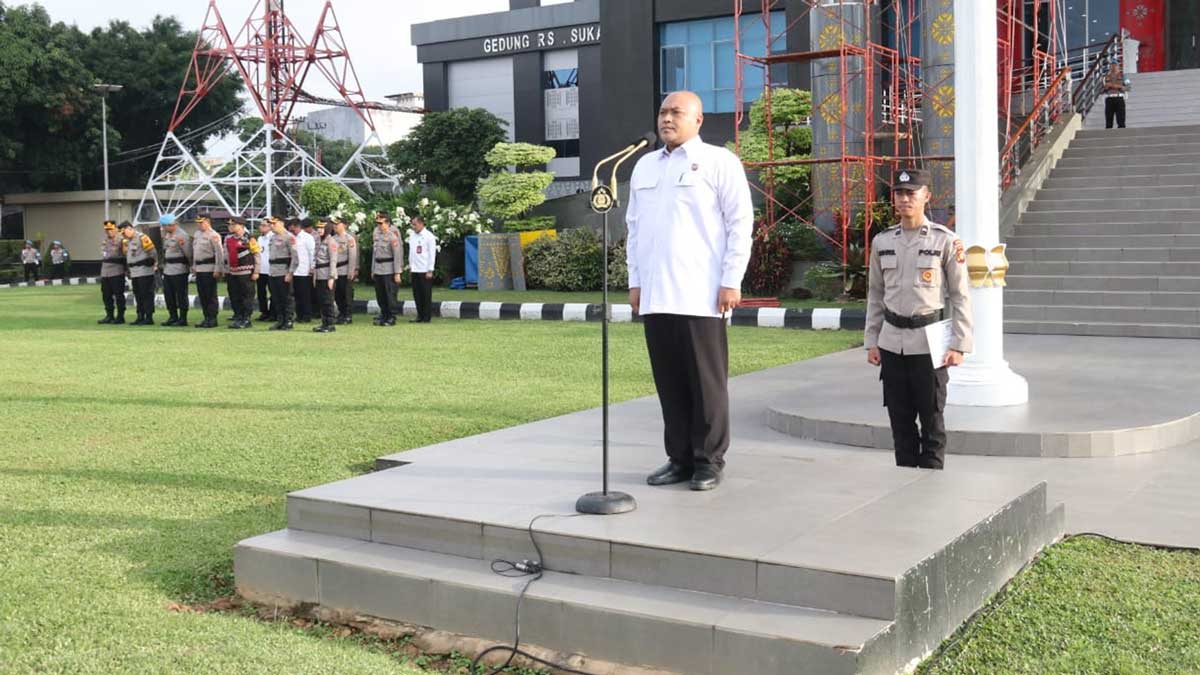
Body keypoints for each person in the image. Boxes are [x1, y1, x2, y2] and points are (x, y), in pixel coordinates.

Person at [625, 90, 754, 492]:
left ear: (698, 120)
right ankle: (678, 457)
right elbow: (634, 228)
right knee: (670, 381)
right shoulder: (645, 166)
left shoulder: (719, 161)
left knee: (705, 383)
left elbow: (740, 223)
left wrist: (731, 279)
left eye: (676, 112)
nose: (667, 118)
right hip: (657, 293)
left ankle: (708, 460)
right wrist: (635, 280)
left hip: (701, 294)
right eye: (663, 111)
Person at [865, 168, 973, 470]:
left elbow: (961, 296)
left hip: (930, 342)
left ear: (926, 196)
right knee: (899, 419)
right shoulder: (882, 241)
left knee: (932, 417)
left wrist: (959, 344)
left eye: (911, 193)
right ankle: (905, 478)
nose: (904, 199)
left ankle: (932, 479)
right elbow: (875, 294)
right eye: (899, 193)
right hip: (891, 341)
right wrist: (871, 341)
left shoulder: (946, 241)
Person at [224, 218, 260, 329]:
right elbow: (226, 255)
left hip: (246, 272)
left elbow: (257, 255)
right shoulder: (229, 239)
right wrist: (226, 269)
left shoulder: (249, 238)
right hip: (233, 272)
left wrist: (256, 271)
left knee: (247, 296)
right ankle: (238, 317)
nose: (230, 227)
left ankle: (246, 319)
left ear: (241, 225)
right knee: (235, 296)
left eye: (233, 225)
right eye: (229, 225)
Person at [191, 215, 225, 328]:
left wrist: (218, 269)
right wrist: (194, 266)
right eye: (198, 223)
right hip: (200, 268)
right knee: (202, 295)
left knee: (210, 295)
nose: (199, 224)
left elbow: (219, 254)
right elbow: (195, 252)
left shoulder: (213, 235)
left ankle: (212, 318)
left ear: (207, 222)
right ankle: (206, 317)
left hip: (209, 268)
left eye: (201, 222)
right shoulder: (197, 234)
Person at [122, 221, 158, 326]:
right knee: (138, 295)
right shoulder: (127, 241)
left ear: (130, 228)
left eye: (124, 232)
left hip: (144, 270)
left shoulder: (142, 237)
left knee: (146, 295)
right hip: (134, 272)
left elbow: (153, 252)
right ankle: (140, 316)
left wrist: (153, 263)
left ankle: (149, 317)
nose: (124, 235)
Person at [159, 214, 192, 327]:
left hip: (179, 269)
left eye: (164, 226)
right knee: (169, 294)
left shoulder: (182, 236)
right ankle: (173, 317)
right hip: (168, 269)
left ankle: (183, 318)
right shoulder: (167, 235)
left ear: (171, 225)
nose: (163, 228)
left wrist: (190, 266)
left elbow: (188, 253)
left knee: (181, 295)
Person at [266, 216, 299, 330]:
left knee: (286, 298)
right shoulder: (273, 237)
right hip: (273, 271)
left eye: (274, 224)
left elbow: (295, 257)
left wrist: (290, 273)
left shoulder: (289, 237)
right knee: (276, 298)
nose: (271, 226)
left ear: (281, 223)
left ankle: (288, 320)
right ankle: (280, 320)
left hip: (283, 271)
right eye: (270, 224)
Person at [371, 213, 403, 326]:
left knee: (390, 294)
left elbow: (397, 256)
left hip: (389, 269)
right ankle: (384, 315)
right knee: (380, 295)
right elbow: (374, 255)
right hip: (379, 268)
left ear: (388, 224)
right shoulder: (377, 237)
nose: (379, 226)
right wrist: (373, 269)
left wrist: (397, 272)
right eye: (377, 223)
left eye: (381, 223)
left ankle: (391, 316)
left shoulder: (392, 237)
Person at [407, 215, 437, 324]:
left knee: (425, 294)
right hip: (415, 268)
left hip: (424, 269)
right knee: (417, 294)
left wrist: (430, 269)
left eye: (415, 224)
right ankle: (420, 315)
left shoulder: (429, 236)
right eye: (412, 225)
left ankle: (426, 316)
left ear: (421, 223)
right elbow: (412, 253)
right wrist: (410, 266)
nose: (413, 227)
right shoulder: (412, 236)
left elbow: (432, 254)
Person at [312, 220, 340, 333]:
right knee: (321, 300)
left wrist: (331, 277)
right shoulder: (319, 241)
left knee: (328, 300)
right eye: (318, 227)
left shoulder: (331, 241)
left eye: (321, 228)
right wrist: (314, 276)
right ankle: (324, 322)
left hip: (327, 274)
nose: (319, 229)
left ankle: (330, 324)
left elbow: (333, 260)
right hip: (319, 274)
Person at [98, 220, 127, 324]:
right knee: (106, 295)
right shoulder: (105, 241)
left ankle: (120, 316)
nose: (109, 232)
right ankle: (109, 315)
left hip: (117, 271)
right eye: (107, 230)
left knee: (118, 295)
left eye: (111, 229)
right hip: (105, 272)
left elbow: (125, 255)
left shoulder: (122, 240)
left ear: (115, 229)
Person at [332, 217, 358, 324]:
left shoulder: (349, 239)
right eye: (334, 225)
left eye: (337, 225)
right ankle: (341, 313)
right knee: (337, 294)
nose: (335, 227)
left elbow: (352, 256)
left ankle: (347, 315)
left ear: (344, 225)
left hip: (345, 269)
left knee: (346, 294)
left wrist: (351, 270)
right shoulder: (332, 239)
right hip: (336, 270)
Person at [289, 218, 316, 323]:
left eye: (293, 228)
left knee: (304, 295)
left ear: (297, 226)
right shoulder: (291, 237)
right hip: (294, 270)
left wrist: (312, 267)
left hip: (304, 270)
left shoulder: (307, 237)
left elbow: (311, 253)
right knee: (296, 295)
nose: (291, 230)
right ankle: (299, 315)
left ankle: (306, 315)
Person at [255, 220, 275, 322]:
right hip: (261, 269)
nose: (261, 227)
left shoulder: (273, 237)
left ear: (270, 227)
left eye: (264, 225)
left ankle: (273, 313)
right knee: (261, 293)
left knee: (273, 293)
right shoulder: (260, 238)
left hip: (271, 270)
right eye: (260, 225)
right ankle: (264, 312)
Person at [1104, 64, 1128, 129]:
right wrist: (1106, 87)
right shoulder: (1106, 77)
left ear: (1118, 67)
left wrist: (1117, 86)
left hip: (1119, 98)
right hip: (1109, 98)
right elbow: (1101, 89)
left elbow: (1129, 87)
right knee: (1108, 120)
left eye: (1115, 65)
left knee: (1121, 120)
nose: (1113, 67)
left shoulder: (1123, 76)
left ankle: (1121, 134)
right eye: (1112, 65)